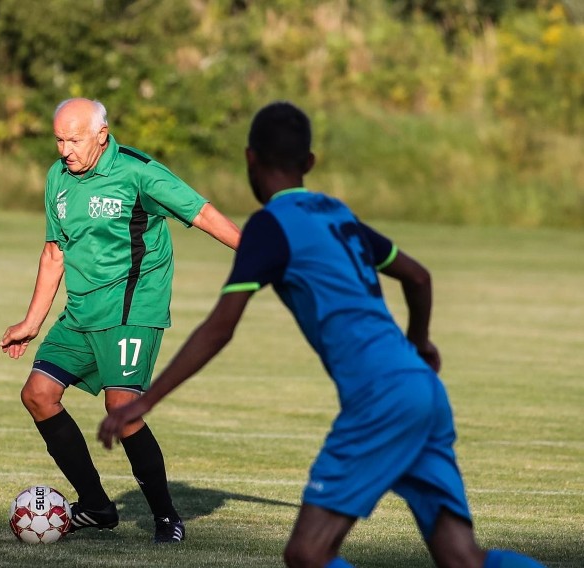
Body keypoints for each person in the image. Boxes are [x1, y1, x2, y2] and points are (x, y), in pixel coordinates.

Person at [98, 101, 546, 568]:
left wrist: (145, 402)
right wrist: (420, 342)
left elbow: (220, 327)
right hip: (424, 390)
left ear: (250, 158)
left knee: (308, 554)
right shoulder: (337, 213)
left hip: (380, 399)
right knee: (462, 558)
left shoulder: (271, 226)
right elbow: (418, 277)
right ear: (309, 163)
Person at [0, 98, 240, 544]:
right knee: (37, 394)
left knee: (121, 408)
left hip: (134, 306)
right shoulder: (58, 178)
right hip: (83, 309)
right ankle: (95, 506)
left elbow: (202, 213)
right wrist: (32, 321)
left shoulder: (139, 172)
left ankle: (166, 517)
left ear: (102, 135)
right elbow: (55, 252)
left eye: (74, 139)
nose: (65, 150)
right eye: (59, 139)